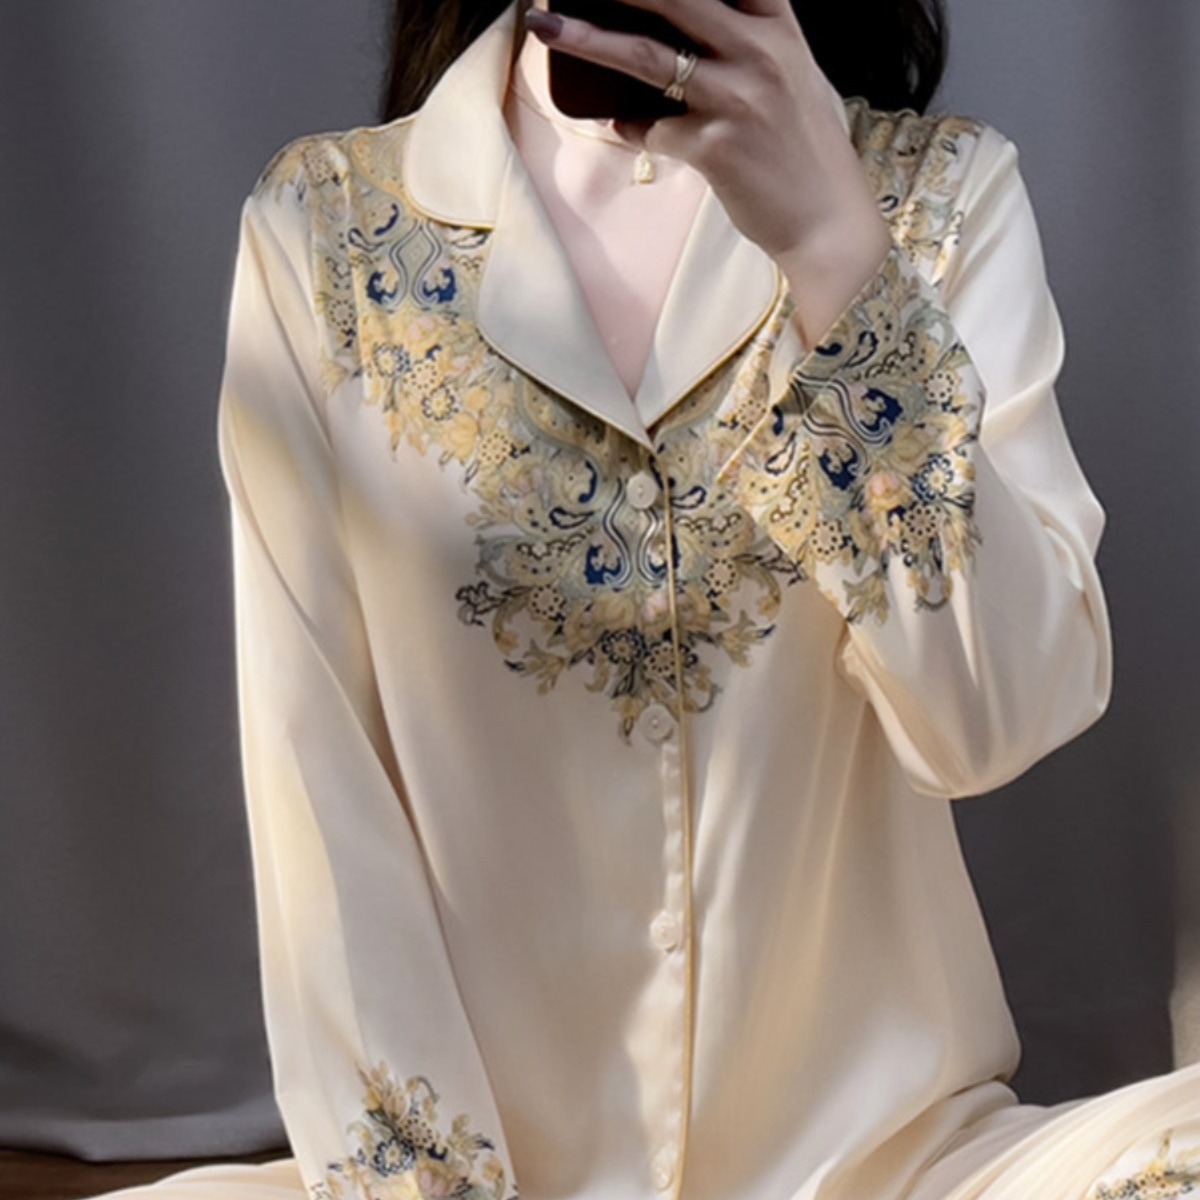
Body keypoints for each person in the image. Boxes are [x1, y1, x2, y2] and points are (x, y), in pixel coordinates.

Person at [84, 0, 1200, 1197]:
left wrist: (835, 250)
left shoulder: (935, 197)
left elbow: (996, 718)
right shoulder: (327, 228)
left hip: (885, 1169)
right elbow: (321, 787)